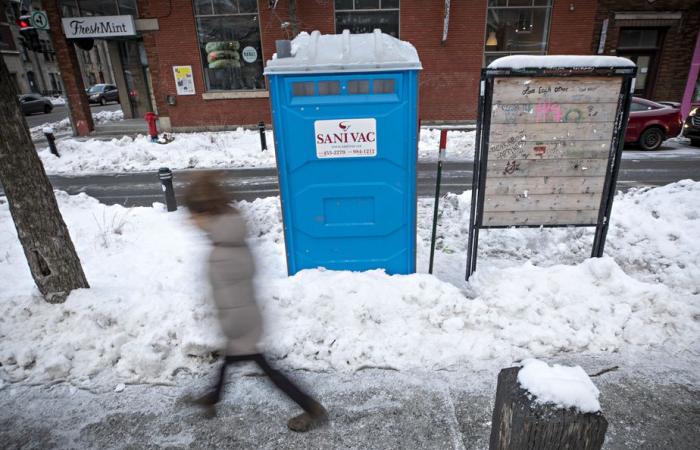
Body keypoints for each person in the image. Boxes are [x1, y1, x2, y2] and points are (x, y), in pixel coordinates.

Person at [182, 174, 327, 432]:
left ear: (205, 213)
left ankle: (311, 408)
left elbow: (232, 294)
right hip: (243, 320)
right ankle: (212, 398)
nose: (190, 221)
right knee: (232, 361)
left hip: (240, 323)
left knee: (268, 371)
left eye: (192, 215)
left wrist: (231, 328)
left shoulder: (223, 249)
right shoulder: (227, 238)